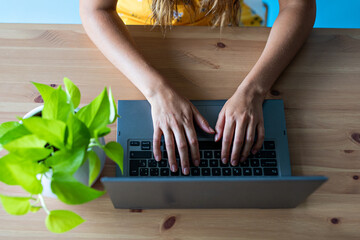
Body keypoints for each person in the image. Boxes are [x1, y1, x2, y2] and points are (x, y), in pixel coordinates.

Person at [80, 0, 316, 175]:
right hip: (131, 40)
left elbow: (299, 6)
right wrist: (157, 91)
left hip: (218, 32)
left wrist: (254, 90)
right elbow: (95, 10)